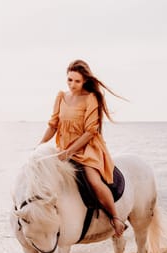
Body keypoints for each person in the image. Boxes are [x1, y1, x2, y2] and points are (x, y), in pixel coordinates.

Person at [39, 59, 127, 237]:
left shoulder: (91, 98)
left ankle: (116, 219)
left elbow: (90, 132)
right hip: (63, 147)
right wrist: (39, 146)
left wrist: (69, 152)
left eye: (77, 81)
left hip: (87, 148)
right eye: (69, 80)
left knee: (94, 181)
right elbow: (53, 125)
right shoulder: (61, 97)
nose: (72, 84)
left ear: (85, 80)